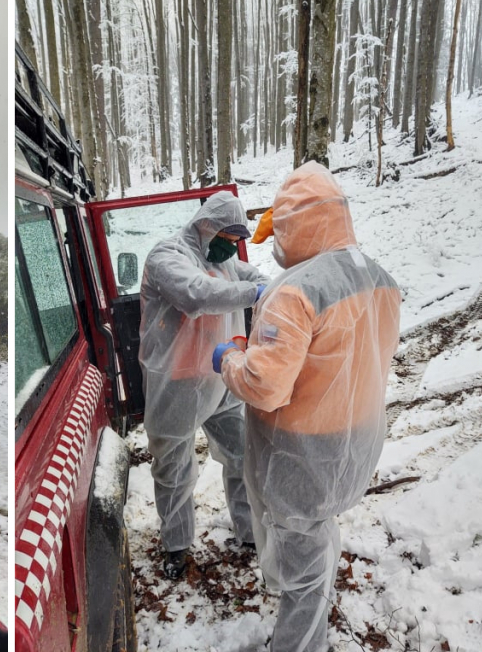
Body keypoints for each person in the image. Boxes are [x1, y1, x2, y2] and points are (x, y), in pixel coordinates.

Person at [213, 161, 401, 652]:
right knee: (318, 535)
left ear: (295, 223)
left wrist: (232, 358)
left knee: (301, 574)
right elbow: (345, 356)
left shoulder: (294, 290)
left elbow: (265, 387)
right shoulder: (378, 276)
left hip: (300, 451)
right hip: (355, 437)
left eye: (279, 226)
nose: (274, 241)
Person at [138, 190, 268, 579]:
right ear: (205, 225)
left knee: (242, 453)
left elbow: (254, 277)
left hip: (221, 373)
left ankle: (249, 533)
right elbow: (195, 295)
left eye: (236, 242)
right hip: (177, 383)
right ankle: (177, 547)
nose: (231, 249)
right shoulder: (167, 257)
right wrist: (255, 293)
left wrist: (273, 288)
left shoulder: (225, 262)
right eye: (227, 239)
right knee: (174, 466)